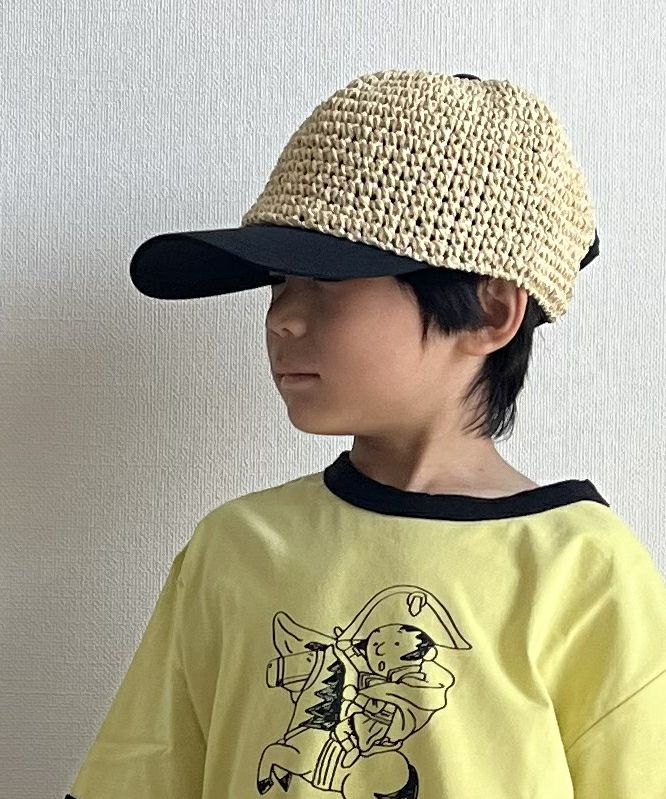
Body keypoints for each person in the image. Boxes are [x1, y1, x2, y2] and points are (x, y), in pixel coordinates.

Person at [64, 70, 665, 799]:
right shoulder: (234, 548)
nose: (282, 318)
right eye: (278, 282)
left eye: (327, 282)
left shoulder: (582, 571)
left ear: (488, 312)